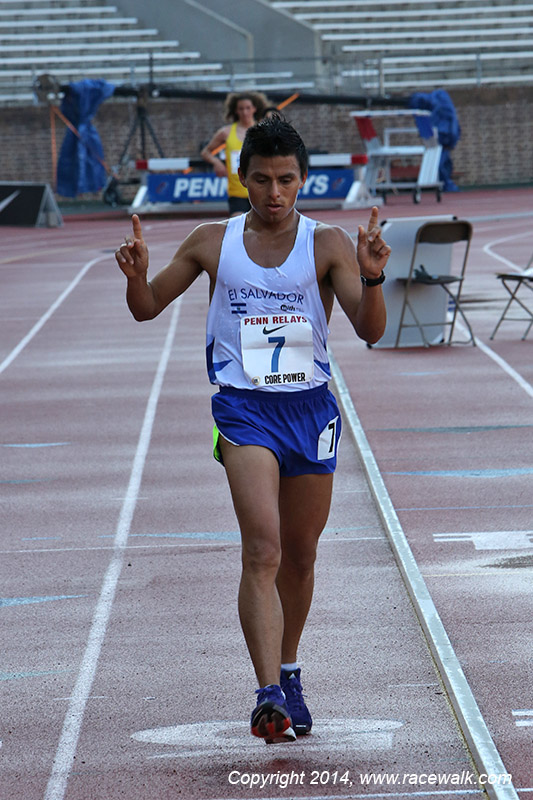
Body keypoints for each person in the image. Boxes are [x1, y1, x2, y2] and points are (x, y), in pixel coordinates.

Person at [115, 115, 390, 745]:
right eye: (262, 180)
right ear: (243, 180)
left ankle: (289, 669)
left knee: (300, 554)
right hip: (244, 410)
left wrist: (371, 274)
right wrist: (135, 276)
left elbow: (370, 330)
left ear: (302, 181)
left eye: (286, 180)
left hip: (310, 409)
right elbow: (146, 308)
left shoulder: (326, 245)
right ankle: (267, 692)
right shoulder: (212, 241)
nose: (273, 192)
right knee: (262, 548)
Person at [200, 91, 269, 216]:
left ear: (254, 109)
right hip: (237, 192)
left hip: (261, 190)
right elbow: (206, 152)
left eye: (248, 108)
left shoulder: (264, 130)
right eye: (241, 109)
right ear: (236, 111)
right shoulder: (226, 132)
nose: (244, 112)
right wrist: (217, 163)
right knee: (238, 228)